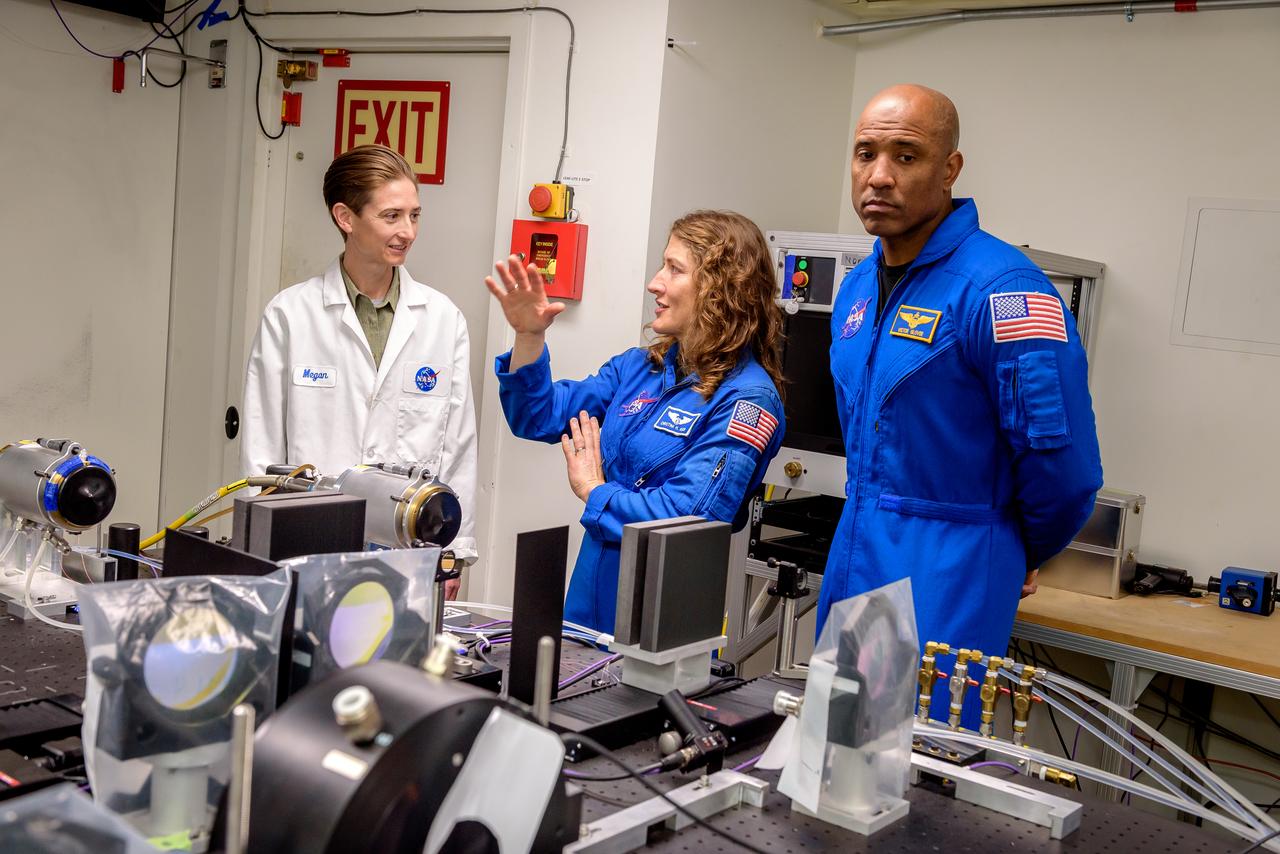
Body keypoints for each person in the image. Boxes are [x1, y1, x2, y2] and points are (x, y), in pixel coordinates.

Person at [819, 84, 1102, 721]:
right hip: (856, 555)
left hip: (946, 574)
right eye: (865, 154)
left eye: (906, 156)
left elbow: (1064, 469)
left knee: (919, 780)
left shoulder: (1002, 290)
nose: (879, 176)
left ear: (951, 169)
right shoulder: (859, 288)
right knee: (840, 767)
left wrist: (1012, 548)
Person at [487, 210, 786, 633]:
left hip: (661, 614)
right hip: (590, 598)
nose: (655, 282)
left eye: (674, 268)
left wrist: (595, 490)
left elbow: (688, 520)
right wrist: (529, 336)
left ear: (719, 288)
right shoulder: (640, 368)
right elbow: (538, 416)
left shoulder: (747, 399)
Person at [240, 144, 479, 589]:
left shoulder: (443, 319)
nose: (407, 231)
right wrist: (265, 548)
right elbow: (262, 446)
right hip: (308, 544)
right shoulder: (291, 315)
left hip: (409, 547)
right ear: (346, 218)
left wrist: (453, 551)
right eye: (391, 216)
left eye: (414, 215)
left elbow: (458, 443)